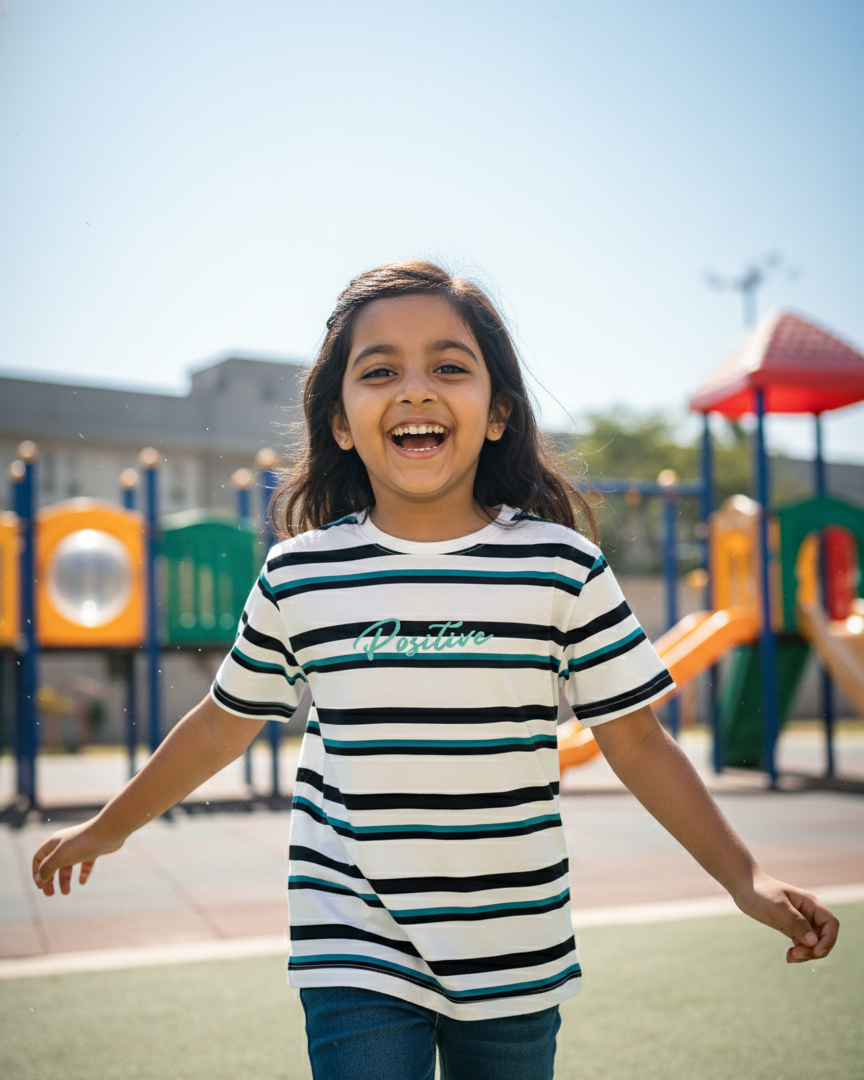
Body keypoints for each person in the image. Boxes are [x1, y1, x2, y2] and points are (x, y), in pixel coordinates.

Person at [33, 261, 839, 1080]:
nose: (414, 389)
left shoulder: (562, 567)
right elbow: (221, 721)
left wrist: (746, 878)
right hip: (353, 934)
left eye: (448, 366)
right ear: (341, 422)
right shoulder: (299, 574)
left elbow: (635, 743)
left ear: (496, 413)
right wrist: (113, 825)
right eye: (379, 371)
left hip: (515, 939)